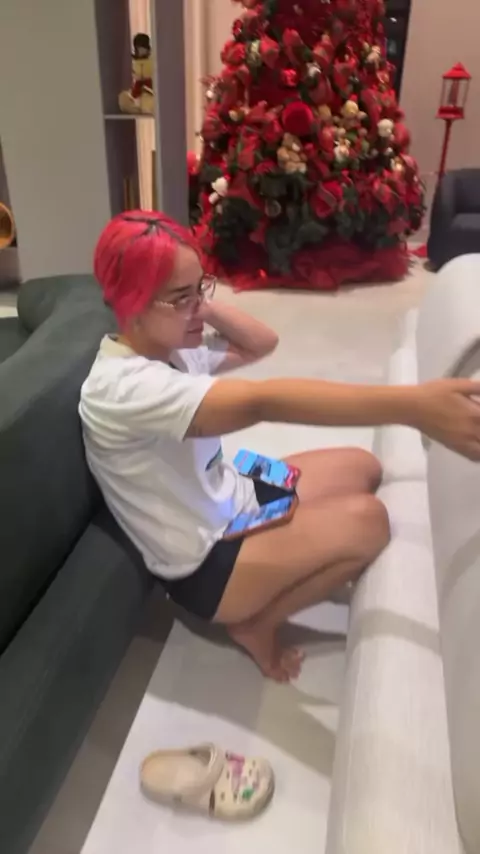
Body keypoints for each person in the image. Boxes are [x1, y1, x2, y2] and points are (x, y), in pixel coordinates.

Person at [80, 211, 480, 683]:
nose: (198, 306)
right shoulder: (125, 387)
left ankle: (287, 539)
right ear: (132, 302)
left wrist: (194, 304)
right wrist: (411, 406)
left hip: (230, 492)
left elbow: (261, 344)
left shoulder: (168, 347)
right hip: (202, 560)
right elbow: (262, 401)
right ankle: (256, 623)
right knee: (370, 523)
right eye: (181, 296)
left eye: (201, 287)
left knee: (363, 467)